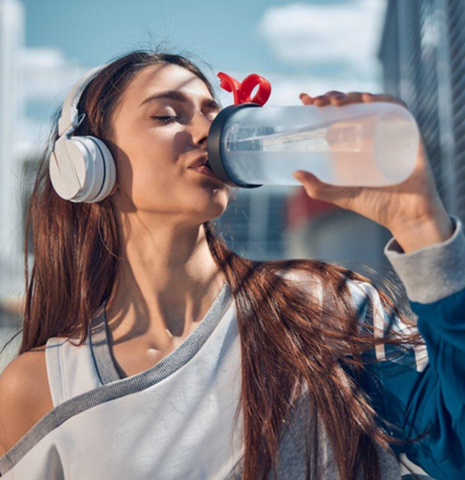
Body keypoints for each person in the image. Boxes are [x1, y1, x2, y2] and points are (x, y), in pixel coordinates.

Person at [0, 49, 463, 480]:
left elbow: (454, 445)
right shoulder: (41, 386)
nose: (208, 130)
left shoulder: (325, 308)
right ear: (87, 163)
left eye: (212, 112)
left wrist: (419, 221)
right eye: (166, 115)